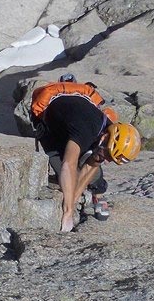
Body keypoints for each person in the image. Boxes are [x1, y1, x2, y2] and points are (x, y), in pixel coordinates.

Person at [37, 93, 141, 232]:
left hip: (73, 126)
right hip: (51, 131)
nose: (108, 161)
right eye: (109, 155)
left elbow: (93, 164)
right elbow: (68, 165)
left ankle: (98, 192)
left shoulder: (107, 132)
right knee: (67, 176)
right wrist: (68, 213)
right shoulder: (84, 131)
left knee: (93, 171)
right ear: (104, 138)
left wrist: (73, 201)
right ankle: (84, 192)